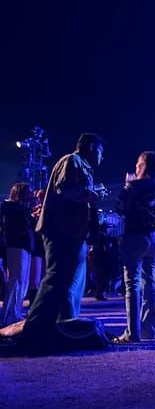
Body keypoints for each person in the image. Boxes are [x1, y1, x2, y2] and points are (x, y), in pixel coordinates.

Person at [18, 133, 106, 349]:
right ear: (93, 147)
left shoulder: (81, 165)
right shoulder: (72, 161)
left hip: (73, 233)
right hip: (61, 230)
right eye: (101, 152)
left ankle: (64, 326)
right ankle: (35, 329)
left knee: (72, 283)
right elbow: (66, 189)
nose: (102, 158)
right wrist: (93, 194)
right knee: (57, 278)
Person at [114, 151, 155, 343]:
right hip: (153, 238)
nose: (135, 166)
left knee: (132, 285)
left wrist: (127, 185)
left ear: (143, 166)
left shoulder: (133, 187)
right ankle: (148, 330)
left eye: (138, 163)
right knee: (150, 284)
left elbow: (120, 208)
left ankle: (132, 332)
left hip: (134, 236)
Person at [0, 182, 35, 326]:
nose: (31, 195)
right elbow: (14, 215)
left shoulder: (23, 209)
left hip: (25, 246)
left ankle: (16, 312)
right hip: (15, 245)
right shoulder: (9, 206)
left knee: (23, 281)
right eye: (29, 192)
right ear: (20, 192)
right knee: (16, 280)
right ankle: (8, 315)